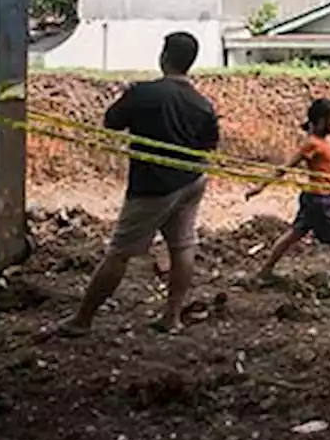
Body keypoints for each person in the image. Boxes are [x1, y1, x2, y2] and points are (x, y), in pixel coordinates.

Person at [46, 32, 220, 337]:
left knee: (120, 251)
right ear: (190, 62)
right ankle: (172, 318)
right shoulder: (202, 104)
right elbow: (208, 145)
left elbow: (111, 120)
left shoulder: (144, 93)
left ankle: (82, 320)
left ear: (164, 57)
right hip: (192, 180)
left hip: (154, 186)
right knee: (182, 245)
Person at [246, 98, 330, 304]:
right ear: (320, 121)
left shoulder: (325, 140)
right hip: (320, 201)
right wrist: (260, 187)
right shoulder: (312, 144)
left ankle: (264, 272)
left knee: (294, 234)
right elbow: (287, 167)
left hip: (313, 198)